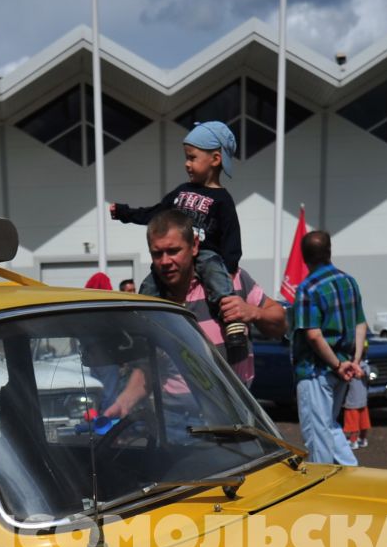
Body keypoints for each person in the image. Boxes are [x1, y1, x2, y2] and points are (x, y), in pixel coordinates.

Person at [108, 120, 250, 361]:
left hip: (205, 254)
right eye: (186, 157)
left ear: (215, 159)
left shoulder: (222, 200)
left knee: (215, 272)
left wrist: (230, 267)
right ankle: (139, 336)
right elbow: (155, 213)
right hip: (177, 257)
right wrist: (124, 212)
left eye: (192, 157)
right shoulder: (181, 192)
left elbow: (231, 238)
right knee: (148, 287)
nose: (187, 164)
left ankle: (234, 329)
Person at [142, 210, 284, 386]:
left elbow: (281, 325)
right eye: (157, 254)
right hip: (174, 412)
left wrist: (253, 312)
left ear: (194, 246)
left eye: (173, 251)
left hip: (232, 411)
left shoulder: (233, 280)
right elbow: (144, 371)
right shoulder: (148, 299)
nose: (165, 261)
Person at [288, 229, 364, 467]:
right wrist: (354, 361)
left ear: (303, 257)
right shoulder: (349, 281)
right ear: (329, 251)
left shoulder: (307, 288)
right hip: (342, 367)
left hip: (315, 371)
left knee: (317, 433)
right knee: (330, 426)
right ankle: (353, 474)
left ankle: (322, 485)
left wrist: (337, 364)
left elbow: (313, 334)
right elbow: (361, 323)